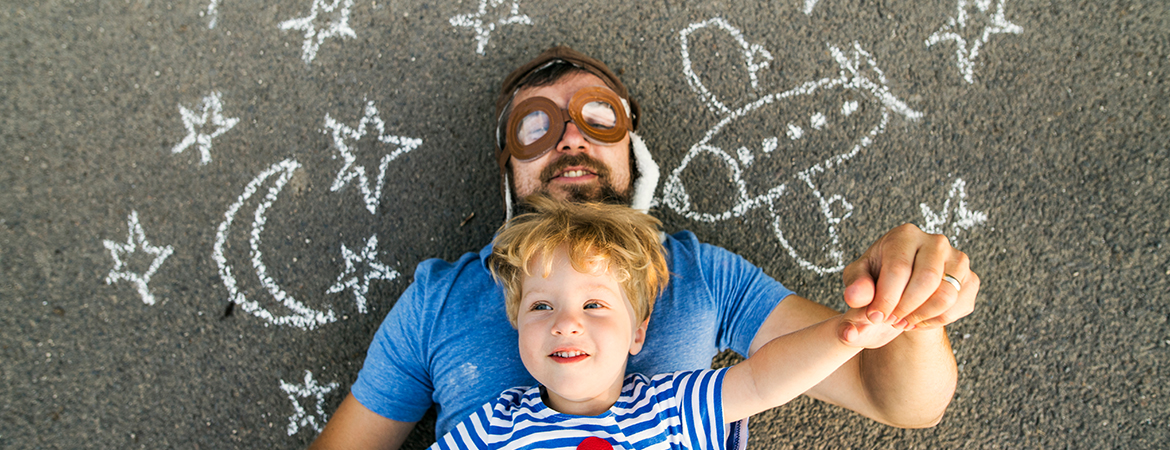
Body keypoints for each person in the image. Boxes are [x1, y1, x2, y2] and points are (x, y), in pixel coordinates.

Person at [309, 46, 979, 449]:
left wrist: (908, 312)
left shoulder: (700, 273)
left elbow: (900, 402)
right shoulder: (439, 298)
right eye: (534, 125)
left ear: (634, 147)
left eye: (598, 116)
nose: (570, 138)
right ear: (505, 163)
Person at [432, 196, 902, 449]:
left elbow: (761, 380)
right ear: (516, 326)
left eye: (594, 305)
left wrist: (847, 335)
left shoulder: (667, 406)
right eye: (541, 307)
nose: (566, 323)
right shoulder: (493, 426)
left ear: (639, 333)